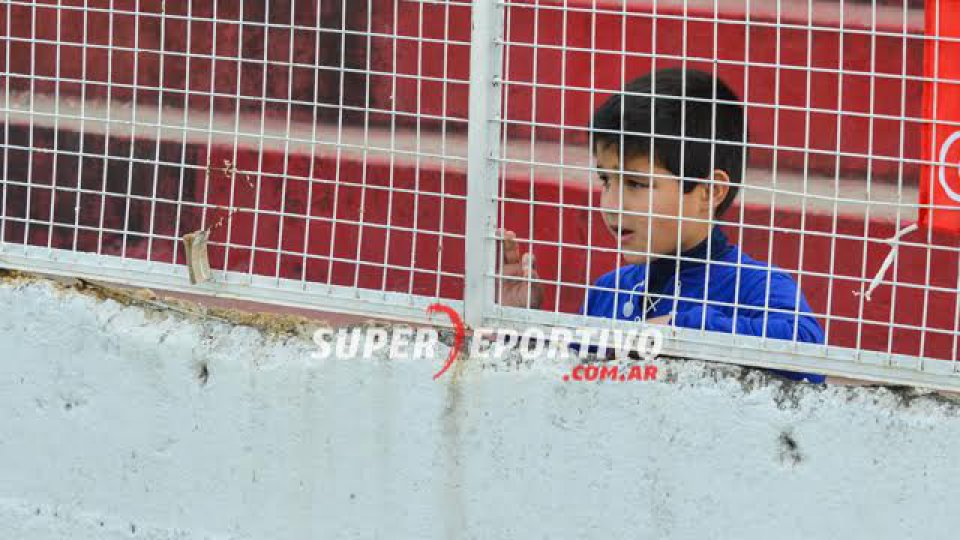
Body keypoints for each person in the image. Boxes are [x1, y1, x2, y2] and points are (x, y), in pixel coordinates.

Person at [499, 67, 825, 383]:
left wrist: (675, 330)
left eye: (636, 184)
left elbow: (808, 352)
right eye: (606, 180)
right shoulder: (608, 291)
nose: (611, 204)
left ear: (709, 191)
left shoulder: (754, 286)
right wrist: (521, 327)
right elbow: (571, 390)